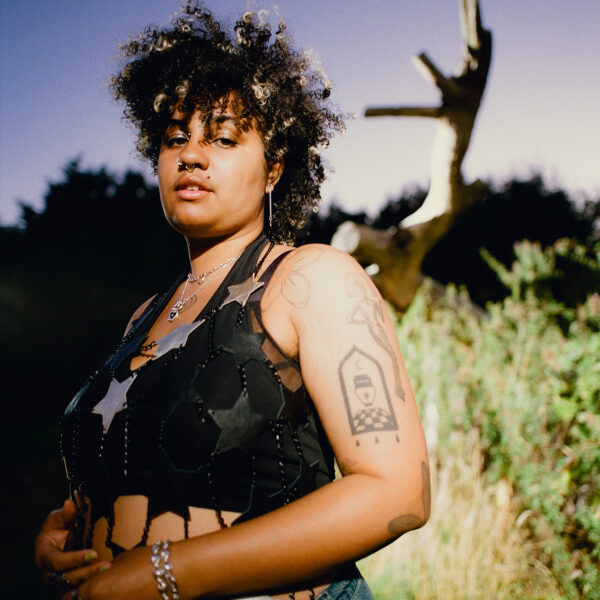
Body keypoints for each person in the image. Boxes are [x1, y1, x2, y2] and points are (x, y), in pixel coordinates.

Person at [34, 3, 430, 599]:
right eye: (175, 138)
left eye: (222, 138)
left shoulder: (311, 279)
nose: (191, 155)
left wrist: (165, 573)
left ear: (273, 169)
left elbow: (398, 493)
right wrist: (68, 535)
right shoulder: (145, 314)